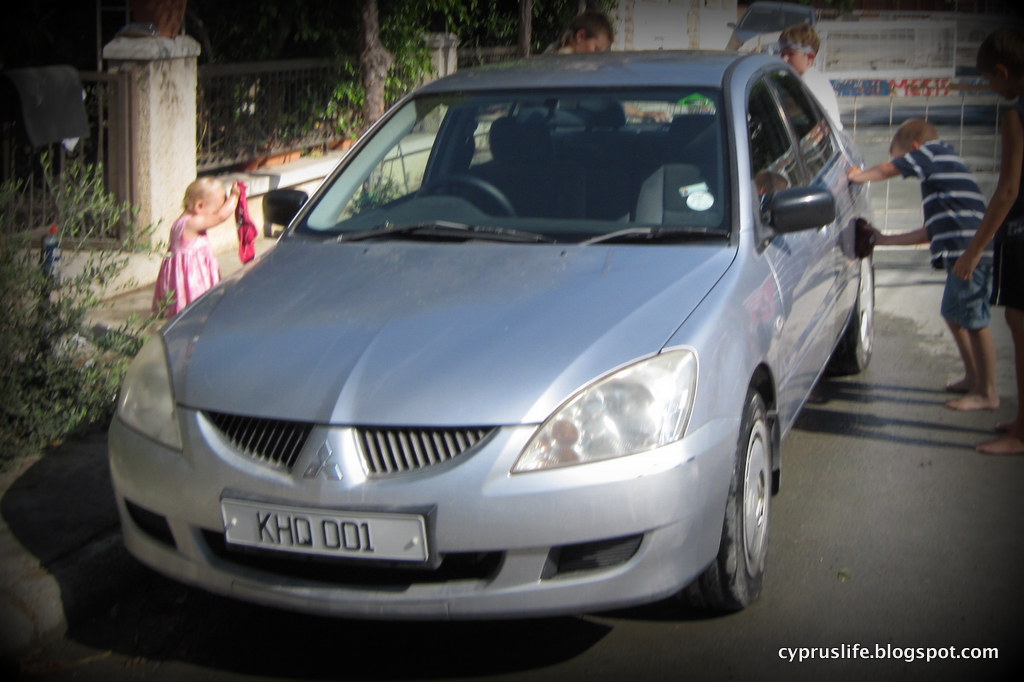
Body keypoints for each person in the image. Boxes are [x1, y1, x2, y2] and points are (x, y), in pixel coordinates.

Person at [848, 118, 997, 412]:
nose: (902, 168)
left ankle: (987, 391)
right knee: (955, 314)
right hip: (962, 253)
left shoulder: (931, 154)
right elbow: (929, 232)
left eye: (901, 159)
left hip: (971, 254)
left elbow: (888, 170)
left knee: (976, 321)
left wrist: (859, 176)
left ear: (914, 148)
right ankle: (973, 377)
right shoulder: (941, 175)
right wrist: (885, 240)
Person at [953, 28, 1024, 455]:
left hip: (1020, 235)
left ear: (1002, 71)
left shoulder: (1016, 115)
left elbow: (1008, 191)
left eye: (988, 80)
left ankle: (1021, 436)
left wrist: (976, 248)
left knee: (1021, 331)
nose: (990, 88)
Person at [152, 176, 240, 318]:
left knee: (181, 304)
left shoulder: (180, 221)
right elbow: (221, 217)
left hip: (178, 272)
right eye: (215, 209)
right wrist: (234, 196)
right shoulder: (193, 222)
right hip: (192, 274)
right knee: (196, 305)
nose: (216, 213)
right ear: (200, 206)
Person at [778, 23, 843, 131]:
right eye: (782, 54)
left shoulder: (809, 83)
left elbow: (825, 126)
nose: (784, 59)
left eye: (790, 54)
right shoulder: (810, 78)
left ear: (810, 57)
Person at [547, 9, 614, 54]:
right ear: (580, 36)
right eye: (596, 49)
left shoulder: (554, 50)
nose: (597, 56)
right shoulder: (564, 58)